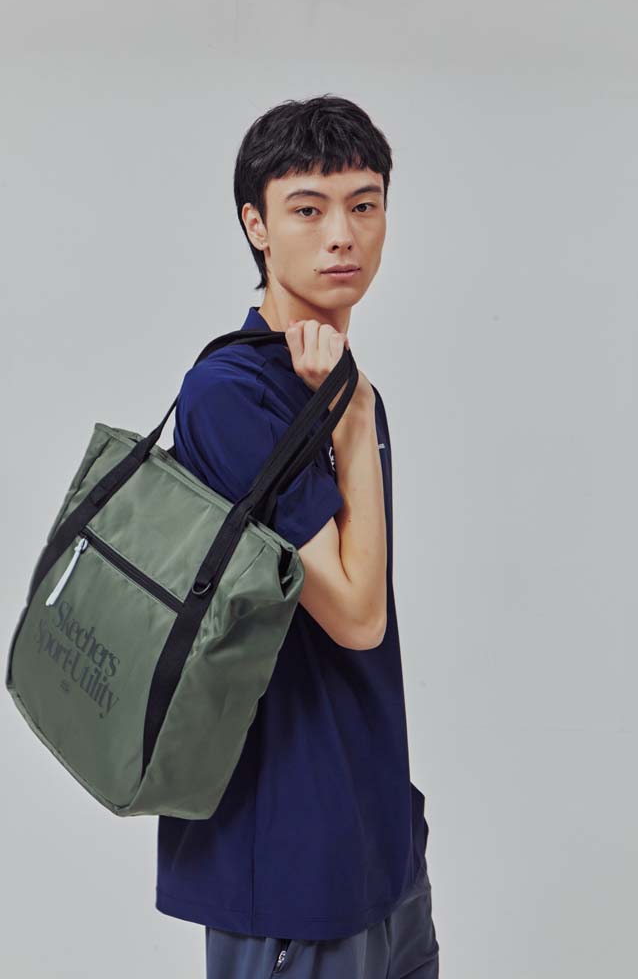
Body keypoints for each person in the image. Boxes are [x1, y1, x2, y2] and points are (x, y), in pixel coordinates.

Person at [155, 94, 439, 978]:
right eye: (307, 210)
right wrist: (348, 420)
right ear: (257, 227)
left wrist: (351, 406)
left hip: (379, 839)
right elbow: (355, 615)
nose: (342, 236)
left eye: (363, 204)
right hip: (286, 851)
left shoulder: (346, 388)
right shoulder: (231, 396)